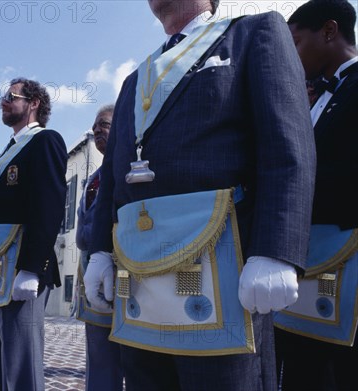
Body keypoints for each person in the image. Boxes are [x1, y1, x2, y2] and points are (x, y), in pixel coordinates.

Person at [84, 0, 316, 390]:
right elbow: (112, 175)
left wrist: (277, 249)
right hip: (139, 274)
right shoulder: (134, 80)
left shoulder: (253, 32)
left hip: (223, 268)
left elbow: (288, 143)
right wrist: (100, 249)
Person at [276, 1, 358, 389]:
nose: (290, 55)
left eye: (295, 42)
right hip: (308, 262)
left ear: (328, 31)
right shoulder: (313, 97)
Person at [0, 78, 67, 390]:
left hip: (18, 267)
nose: (3, 101)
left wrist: (31, 268)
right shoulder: (9, 150)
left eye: (11, 96)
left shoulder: (45, 141)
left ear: (34, 103)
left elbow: (49, 205)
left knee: (21, 368)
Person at [75, 104, 124, 391]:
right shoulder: (93, 178)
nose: (96, 131)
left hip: (121, 273)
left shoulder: (129, 167)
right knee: (98, 352)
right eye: (94, 127)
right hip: (90, 268)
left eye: (103, 124)